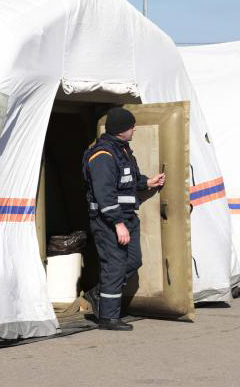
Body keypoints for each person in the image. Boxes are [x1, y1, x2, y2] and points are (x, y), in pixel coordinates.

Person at [82, 107, 165, 331]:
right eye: (131, 126)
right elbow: (105, 194)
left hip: (128, 217)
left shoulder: (123, 150)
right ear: (121, 130)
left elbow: (130, 180)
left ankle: (98, 293)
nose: (135, 129)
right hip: (108, 220)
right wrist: (118, 224)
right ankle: (108, 318)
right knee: (114, 266)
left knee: (133, 261)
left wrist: (148, 182)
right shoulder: (102, 156)